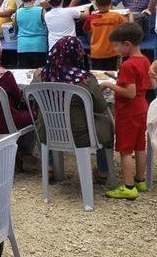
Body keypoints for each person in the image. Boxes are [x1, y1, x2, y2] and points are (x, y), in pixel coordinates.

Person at [31, 37, 113, 180]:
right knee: (106, 122)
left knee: (41, 120)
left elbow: (31, 100)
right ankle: (103, 170)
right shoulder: (85, 79)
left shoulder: (40, 76)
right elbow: (101, 107)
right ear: (79, 54)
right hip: (79, 134)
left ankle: (50, 166)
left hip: (49, 132)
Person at [100, 23, 155, 199]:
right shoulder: (145, 59)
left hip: (128, 111)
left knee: (125, 150)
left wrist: (110, 84)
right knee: (140, 146)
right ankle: (140, 180)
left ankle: (128, 187)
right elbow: (151, 84)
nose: (115, 49)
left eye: (116, 45)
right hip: (142, 107)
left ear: (127, 44)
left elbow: (129, 93)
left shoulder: (127, 65)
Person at [83, 0, 129, 70]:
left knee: (99, 77)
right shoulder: (116, 16)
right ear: (110, 2)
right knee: (112, 76)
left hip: (96, 53)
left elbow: (86, 29)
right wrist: (130, 15)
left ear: (96, 4)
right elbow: (128, 27)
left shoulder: (92, 18)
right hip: (112, 53)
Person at [14, 0, 48, 68]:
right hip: (39, 45)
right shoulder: (41, 10)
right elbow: (48, 25)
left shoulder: (17, 12)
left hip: (23, 46)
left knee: (25, 74)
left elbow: (15, 27)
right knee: (40, 74)